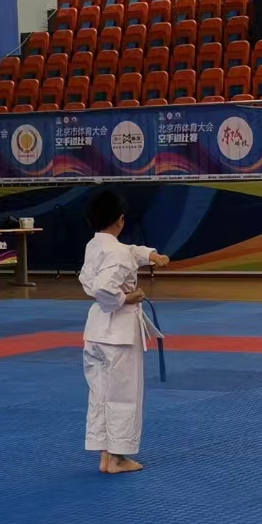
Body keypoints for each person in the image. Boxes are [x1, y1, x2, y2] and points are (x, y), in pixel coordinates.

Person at [79, 190, 170, 475]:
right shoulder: (116, 252)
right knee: (122, 394)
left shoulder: (95, 246)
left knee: (101, 394)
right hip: (118, 335)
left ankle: (105, 455)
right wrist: (128, 298)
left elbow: (128, 252)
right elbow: (105, 287)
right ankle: (116, 458)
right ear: (120, 220)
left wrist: (150, 255)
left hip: (96, 333)